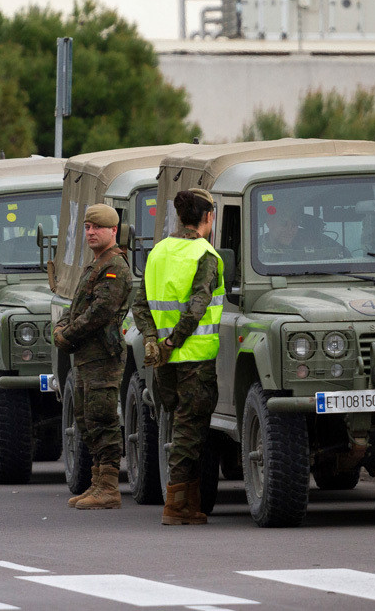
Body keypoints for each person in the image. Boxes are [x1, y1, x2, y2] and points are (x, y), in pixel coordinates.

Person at [132, 188, 224, 525]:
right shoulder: (206, 254)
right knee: (189, 431)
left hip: (162, 361)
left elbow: (139, 304)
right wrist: (173, 341)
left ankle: (190, 504)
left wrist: (152, 340)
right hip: (194, 358)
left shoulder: (158, 252)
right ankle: (176, 504)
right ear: (207, 218)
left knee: (177, 426)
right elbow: (198, 306)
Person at [53, 204, 133, 510]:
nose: (90, 233)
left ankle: (109, 486)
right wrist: (62, 326)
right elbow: (75, 306)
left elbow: (100, 312)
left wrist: (68, 333)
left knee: (103, 418)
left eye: (97, 228)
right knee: (86, 419)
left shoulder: (115, 267)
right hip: (87, 356)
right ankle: (97, 482)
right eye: (87, 227)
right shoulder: (95, 265)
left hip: (103, 356)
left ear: (113, 231)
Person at [259, 205, 347, 261]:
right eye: (283, 224)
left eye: (294, 225)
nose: (289, 230)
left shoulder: (310, 240)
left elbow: (344, 254)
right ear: (269, 223)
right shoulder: (254, 249)